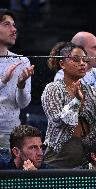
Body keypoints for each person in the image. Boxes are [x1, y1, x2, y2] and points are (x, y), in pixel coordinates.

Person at [41, 42, 96, 168]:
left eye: (85, 60)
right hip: (58, 160)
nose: (82, 63)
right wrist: (76, 101)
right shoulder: (53, 89)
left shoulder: (91, 91)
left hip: (85, 160)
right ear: (62, 63)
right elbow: (57, 121)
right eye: (76, 59)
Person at [0, 9, 34, 148]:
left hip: (11, 134)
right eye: (7, 24)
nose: (14, 29)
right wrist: (3, 81)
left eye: (14, 25)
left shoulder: (22, 61)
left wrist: (21, 85)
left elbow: (23, 104)